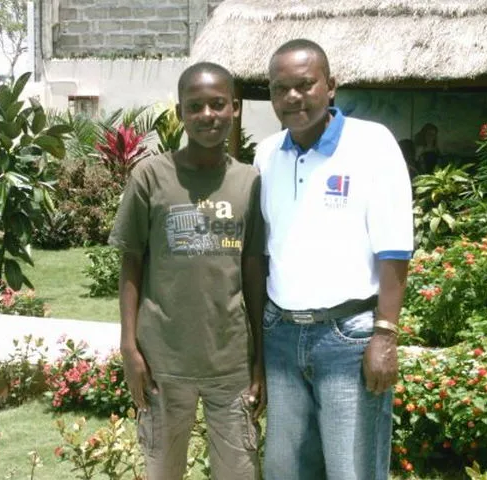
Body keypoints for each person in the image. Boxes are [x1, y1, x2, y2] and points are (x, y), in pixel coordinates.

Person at [254, 39, 413, 480]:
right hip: (281, 335)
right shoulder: (267, 154)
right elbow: (264, 251)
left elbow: (394, 248)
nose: (292, 97)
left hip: (348, 339)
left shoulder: (372, 144)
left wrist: (385, 335)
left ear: (331, 87)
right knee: (285, 470)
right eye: (280, 88)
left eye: (305, 84)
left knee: (352, 470)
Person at [110, 62, 266, 480]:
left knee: (240, 472)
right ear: (180, 113)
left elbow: (254, 273)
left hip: (231, 362)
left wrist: (260, 359)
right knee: (163, 471)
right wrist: (129, 347)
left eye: (217, 104)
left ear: (234, 107)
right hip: (161, 362)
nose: (207, 115)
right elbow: (131, 261)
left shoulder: (249, 182)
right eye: (195, 106)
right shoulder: (151, 176)